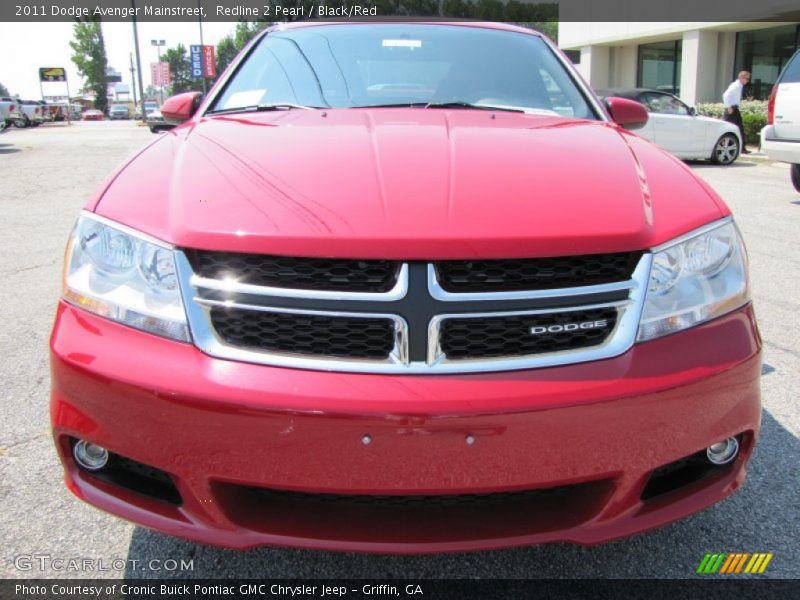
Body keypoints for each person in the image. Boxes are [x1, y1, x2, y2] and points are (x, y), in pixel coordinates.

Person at [722, 71, 751, 154]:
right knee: (727, 129)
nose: (747, 81)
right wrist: (729, 107)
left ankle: (742, 148)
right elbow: (725, 95)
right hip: (731, 110)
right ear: (741, 77)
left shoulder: (739, 85)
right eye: (747, 78)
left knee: (740, 128)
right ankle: (726, 146)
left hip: (735, 109)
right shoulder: (736, 86)